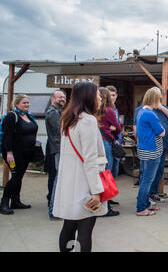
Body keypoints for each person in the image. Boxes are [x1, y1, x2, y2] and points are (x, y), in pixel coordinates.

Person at [53, 82, 108, 252]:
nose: (100, 98)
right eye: (97, 94)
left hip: (70, 183)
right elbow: (90, 160)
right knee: (85, 231)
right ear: (88, 96)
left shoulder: (68, 118)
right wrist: (96, 191)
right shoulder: (88, 120)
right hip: (85, 185)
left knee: (68, 226)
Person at [0, 94, 38, 215]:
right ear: (16, 104)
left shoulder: (28, 116)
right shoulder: (12, 116)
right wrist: (9, 153)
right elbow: (7, 136)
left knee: (19, 176)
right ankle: (4, 203)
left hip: (27, 153)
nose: (27, 104)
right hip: (14, 154)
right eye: (24, 103)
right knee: (16, 176)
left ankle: (16, 201)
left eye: (28, 102)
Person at [135, 88, 165, 216]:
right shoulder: (150, 114)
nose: (160, 102)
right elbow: (162, 132)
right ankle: (141, 208)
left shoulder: (141, 111)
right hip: (152, 151)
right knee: (147, 181)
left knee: (144, 180)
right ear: (155, 99)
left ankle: (145, 204)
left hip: (143, 149)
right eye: (159, 99)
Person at [148, 87, 168, 203]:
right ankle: (146, 196)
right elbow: (136, 128)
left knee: (159, 171)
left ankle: (153, 193)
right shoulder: (144, 108)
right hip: (150, 146)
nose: (159, 97)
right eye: (157, 95)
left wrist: (161, 108)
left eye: (160, 95)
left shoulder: (163, 108)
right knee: (149, 172)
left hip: (163, 145)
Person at [97, 87, 121, 217]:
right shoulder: (109, 111)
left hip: (97, 142)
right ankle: (105, 206)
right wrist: (112, 129)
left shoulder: (94, 111)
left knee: (101, 173)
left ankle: (104, 201)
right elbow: (118, 128)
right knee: (107, 173)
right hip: (106, 143)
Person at [45, 90, 66, 220]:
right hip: (58, 150)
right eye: (60, 97)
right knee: (58, 180)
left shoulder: (59, 112)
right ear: (53, 98)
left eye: (64, 97)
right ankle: (53, 211)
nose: (62, 99)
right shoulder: (52, 113)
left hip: (59, 149)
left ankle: (56, 209)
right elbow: (59, 133)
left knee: (59, 179)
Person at [106, 85, 122, 180]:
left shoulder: (115, 109)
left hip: (116, 142)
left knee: (115, 169)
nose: (112, 97)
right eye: (109, 95)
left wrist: (119, 140)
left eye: (113, 95)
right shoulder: (103, 109)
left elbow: (118, 127)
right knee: (108, 168)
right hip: (107, 141)